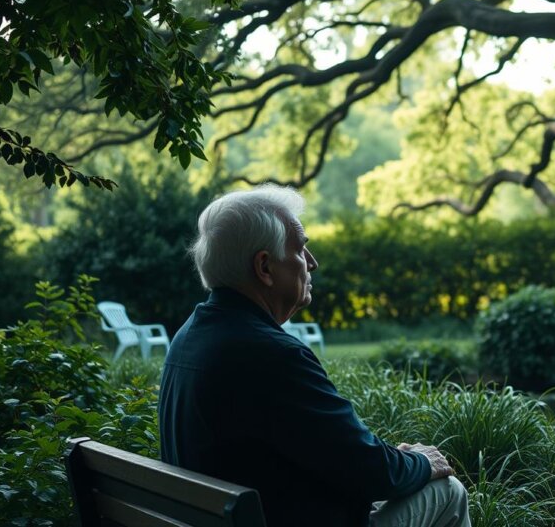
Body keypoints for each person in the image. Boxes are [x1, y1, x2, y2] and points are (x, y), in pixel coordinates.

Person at [158, 185, 470, 527]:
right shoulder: (272, 356)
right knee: (448, 490)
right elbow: (369, 470)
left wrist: (394, 462)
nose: (312, 263)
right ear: (264, 267)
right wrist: (423, 463)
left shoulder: (189, 336)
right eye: (301, 249)